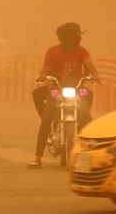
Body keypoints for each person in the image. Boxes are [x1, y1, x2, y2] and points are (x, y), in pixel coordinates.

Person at [28, 22, 101, 169]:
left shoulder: (82, 51)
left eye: (61, 38)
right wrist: (43, 76)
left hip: (78, 89)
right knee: (46, 121)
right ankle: (37, 158)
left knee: (87, 115)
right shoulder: (53, 53)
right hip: (57, 90)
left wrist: (95, 75)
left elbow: (89, 64)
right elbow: (46, 69)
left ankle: (89, 153)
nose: (60, 41)